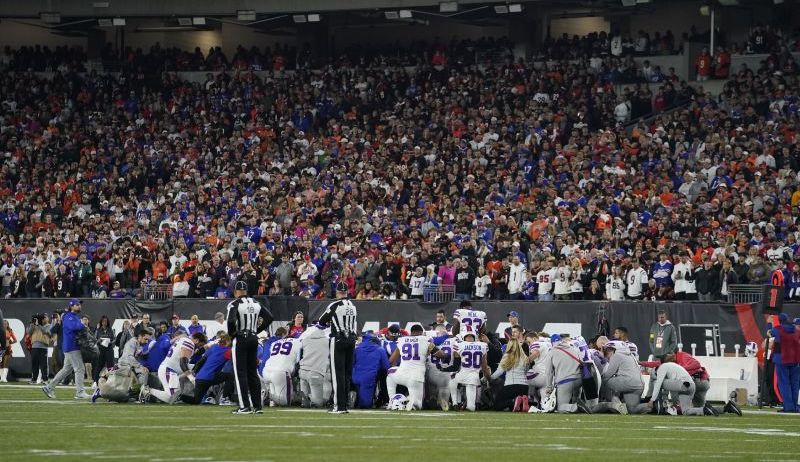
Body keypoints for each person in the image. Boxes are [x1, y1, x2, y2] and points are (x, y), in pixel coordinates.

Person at [226, 280, 273, 415]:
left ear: (235, 292)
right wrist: (257, 330)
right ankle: (258, 406)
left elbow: (230, 321)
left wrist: (232, 334)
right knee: (253, 373)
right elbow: (269, 317)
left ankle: (244, 406)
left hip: (241, 338)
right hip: (253, 338)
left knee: (240, 373)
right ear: (246, 291)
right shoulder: (256, 303)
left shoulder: (234, 304)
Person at [319, 282, 359, 414]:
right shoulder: (353, 306)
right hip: (351, 340)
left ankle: (339, 406)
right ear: (347, 292)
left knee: (338, 374)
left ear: (337, 292)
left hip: (338, 339)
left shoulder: (334, 305)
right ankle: (345, 404)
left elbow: (321, 320)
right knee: (347, 374)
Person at [42, 299, 90, 399]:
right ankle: (80, 392)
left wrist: (81, 325)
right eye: (77, 305)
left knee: (66, 369)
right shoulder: (68, 316)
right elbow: (73, 327)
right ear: (71, 306)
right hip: (71, 346)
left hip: (71, 346)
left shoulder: (73, 316)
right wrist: (82, 325)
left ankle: (49, 387)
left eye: (80, 305)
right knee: (80, 368)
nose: (79, 306)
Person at [387, 324, 442, 411]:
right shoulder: (426, 340)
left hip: (401, 375)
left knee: (390, 373)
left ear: (411, 332)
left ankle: (392, 400)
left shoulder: (402, 340)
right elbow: (440, 355)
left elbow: (391, 360)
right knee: (418, 405)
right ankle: (409, 400)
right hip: (416, 378)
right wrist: (445, 354)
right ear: (421, 332)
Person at [148, 332, 207, 404]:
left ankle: (185, 391)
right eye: (200, 345)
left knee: (196, 368)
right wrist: (191, 378)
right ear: (197, 340)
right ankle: (148, 391)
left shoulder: (184, 340)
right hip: (168, 370)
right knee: (171, 397)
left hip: (170, 369)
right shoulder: (189, 342)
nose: (198, 347)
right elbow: (183, 363)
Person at [592, 341, 649, 414]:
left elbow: (608, 374)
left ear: (614, 349)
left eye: (608, 350)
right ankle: (652, 406)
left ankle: (614, 404)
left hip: (628, 382)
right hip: (639, 385)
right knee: (632, 409)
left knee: (605, 381)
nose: (607, 353)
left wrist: (599, 378)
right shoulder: (630, 355)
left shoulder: (617, 355)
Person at [540, 335, 591, 414]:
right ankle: (578, 402)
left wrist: (549, 388)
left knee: (561, 407)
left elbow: (549, 373)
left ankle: (576, 406)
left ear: (552, 343)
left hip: (565, 382)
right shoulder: (573, 348)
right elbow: (581, 362)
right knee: (575, 395)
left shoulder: (552, 352)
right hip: (580, 379)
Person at [102, 327, 153, 403]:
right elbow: (129, 357)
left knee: (142, 374)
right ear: (140, 336)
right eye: (145, 339)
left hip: (128, 366)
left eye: (147, 340)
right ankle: (139, 395)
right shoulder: (132, 342)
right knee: (143, 372)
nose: (146, 342)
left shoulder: (138, 343)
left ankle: (135, 395)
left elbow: (138, 353)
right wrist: (140, 366)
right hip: (124, 366)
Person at [183, 333, 233, 405]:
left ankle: (180, 396)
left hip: (199, 377)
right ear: (228, 341)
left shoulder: (214, 347)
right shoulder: (228, 351)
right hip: (209, 377)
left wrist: (194, 371)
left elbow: (201, 360)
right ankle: (224, 399)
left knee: (196, 401)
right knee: (230, 376)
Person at [491, 328, 533, 411]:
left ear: (509, 345)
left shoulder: (507, 356)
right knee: (512, 408)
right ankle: (522, 402)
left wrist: (489, 378)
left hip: (511, 386)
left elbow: (499, 372)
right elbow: (526, 371)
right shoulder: (524, 357)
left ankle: (514, 401)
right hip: (524, 387)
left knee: (497, 405)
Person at [448, 331, 491, 412]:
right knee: (471, 407)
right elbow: (484, 367)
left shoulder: (459, 344)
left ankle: (455, 403)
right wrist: (489, 380)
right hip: (474, 377)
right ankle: (471, 404)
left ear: (463, 337)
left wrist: (445, 369)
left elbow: (456, 366)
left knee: (452, 379)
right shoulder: (482, 345)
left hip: (462, 375)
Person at [769, 313, 800, 413]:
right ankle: (794, 407)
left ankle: (788, 407)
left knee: (784, 384)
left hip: (782, 359)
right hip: (795, 359)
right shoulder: (795, 330)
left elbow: (769, 333)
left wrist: (769, 323)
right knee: (794, 384)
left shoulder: (777, 329)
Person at [261, 329, 301, 406]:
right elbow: (298, 361)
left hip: (266, 370)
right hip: (280, 372)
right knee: (285, 402)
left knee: (276, 400)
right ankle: (267, 395)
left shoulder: (275, 342)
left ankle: (268, 397)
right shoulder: (298, 341)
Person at [352, 331, 390, 409]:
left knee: (360, 395)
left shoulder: (357, 349)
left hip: (355, 377)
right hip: (369, 378)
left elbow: (352, 363)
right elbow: (386, 366)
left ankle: (354, 400)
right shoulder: (380, 350)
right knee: (365, 405)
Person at [298, 321, 332, 408]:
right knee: (318, 403)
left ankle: (305, 399)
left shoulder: (305, 340)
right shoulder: (327, 341)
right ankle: (313, 400)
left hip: (302, 370)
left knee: (306, 400)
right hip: (315, 372)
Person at [27, 314, 51, 384]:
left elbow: (45, 332)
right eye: (43, 318)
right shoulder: (34, 325)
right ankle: (34, 379)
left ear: (47, 319)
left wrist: (38, 325)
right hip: (34, 347)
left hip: (43, 347)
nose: (44, 319)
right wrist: (32, 323)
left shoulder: (49, 326)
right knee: (34, 364)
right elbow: (29, 332)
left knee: (44, 365)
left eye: (45, 317)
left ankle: (45, 379)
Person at [93, 316, 115, 386]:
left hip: (109, 349)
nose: (104, 323)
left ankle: (110, 381)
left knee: (110, 366)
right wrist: (99, 341)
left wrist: (110, 342)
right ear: (101, 322)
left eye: (106, 321)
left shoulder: (110, 330)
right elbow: (94, 340)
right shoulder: (98, 330)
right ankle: (96, 381)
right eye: (103, 321)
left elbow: (114, 339)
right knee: (99, 365)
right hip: (101, 350)